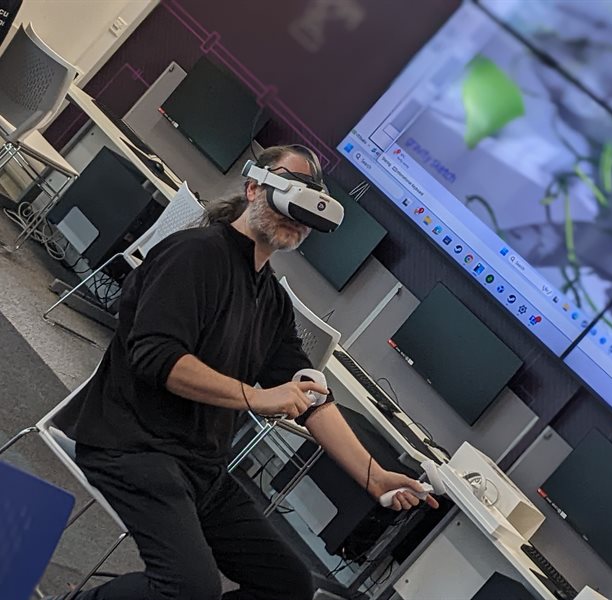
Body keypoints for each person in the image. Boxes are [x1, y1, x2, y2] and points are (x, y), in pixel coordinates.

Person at [48, 145, 438, 600]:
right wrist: (257, 397)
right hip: (132, 447)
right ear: (254, 187)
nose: (297, 212)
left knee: (287, 587)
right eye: (290, 191)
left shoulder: (272, 301)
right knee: (189, 590)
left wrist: (374, 477)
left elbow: (311, 396)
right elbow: (156, 358)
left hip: (200, 469)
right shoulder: (195, 254)